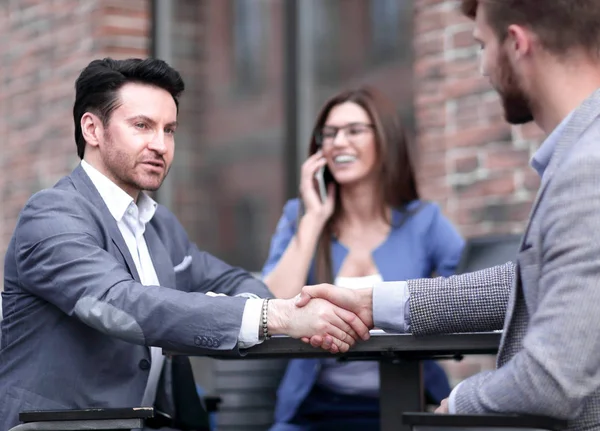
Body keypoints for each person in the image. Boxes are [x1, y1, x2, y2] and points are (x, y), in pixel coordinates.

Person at [0, 58, 370, 431]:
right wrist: (275, 316)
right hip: (52, 425)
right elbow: (117, 303)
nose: (160, 145)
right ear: (93, 129)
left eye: (170, 130)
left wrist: (276, 308)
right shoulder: (52, 214)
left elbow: (232, 281)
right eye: (142, 126)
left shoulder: (158, 223)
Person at [296, 1, 600, 429]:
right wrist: (372, 302)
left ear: (516, 44)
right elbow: (526, 283)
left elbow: (552, 381)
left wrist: (455, 405)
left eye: (481, 46)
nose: (482, 68)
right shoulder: (581, 156)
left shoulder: (588, 169)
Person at [263, 86, 465, 430]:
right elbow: (269, 302)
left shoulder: (424, 221)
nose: (338, 142)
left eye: (354, 130)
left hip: (411, 402)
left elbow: (470, 292)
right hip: (317, 409)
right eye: (329, 134)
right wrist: (313, 219)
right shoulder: (299, 217)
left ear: (384, 139)